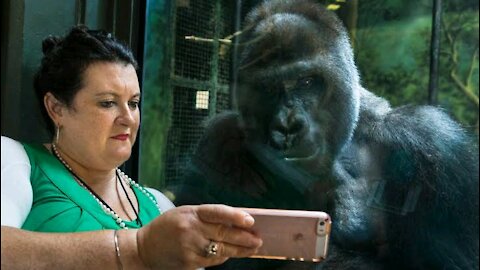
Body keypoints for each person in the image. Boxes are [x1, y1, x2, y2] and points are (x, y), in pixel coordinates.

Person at [0, 25, 262, 270]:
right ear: (56, 108)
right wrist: (137, 248)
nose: (128, 118)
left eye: (134, 103)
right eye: (107, 103)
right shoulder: (18, 162)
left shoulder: (157, 204)